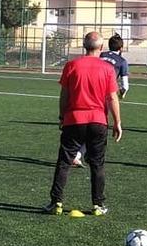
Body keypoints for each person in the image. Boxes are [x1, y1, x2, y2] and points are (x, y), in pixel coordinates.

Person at [44, 32, 122, 216]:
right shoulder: (107, 68)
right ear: (101, 48)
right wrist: (117, 122)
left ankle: (56, 203)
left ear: (83, 45)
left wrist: (62, 117)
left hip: (74, 120)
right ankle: (98, 205)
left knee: (64, 162)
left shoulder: (72, 65)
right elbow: (112, 97)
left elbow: (64, 95)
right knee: (97, 164)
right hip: (98, 121)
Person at [72, 33, 130, 167]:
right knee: (96, 127)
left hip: (84, 91)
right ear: (121, 48)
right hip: (104, 95)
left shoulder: (100, 54)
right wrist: (120, 95)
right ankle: (79, 155)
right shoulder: (122, 61)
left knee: (82, 124)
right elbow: (125, 86)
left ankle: (78, 153)